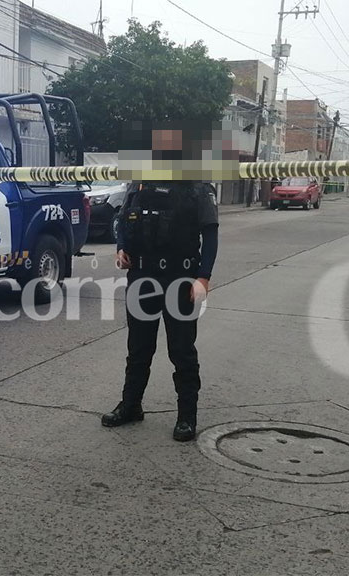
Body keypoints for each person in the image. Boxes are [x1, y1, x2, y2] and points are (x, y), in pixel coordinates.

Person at [101, 127, 220, 442]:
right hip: (141, 277)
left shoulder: (196, 186)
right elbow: (126, 219)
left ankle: (186, 416)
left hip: (179, 279)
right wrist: (121, 247)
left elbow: (210, 234)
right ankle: (131, 406)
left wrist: (203, 277)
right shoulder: (140, 182)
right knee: (138, 348)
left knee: (181, 350)